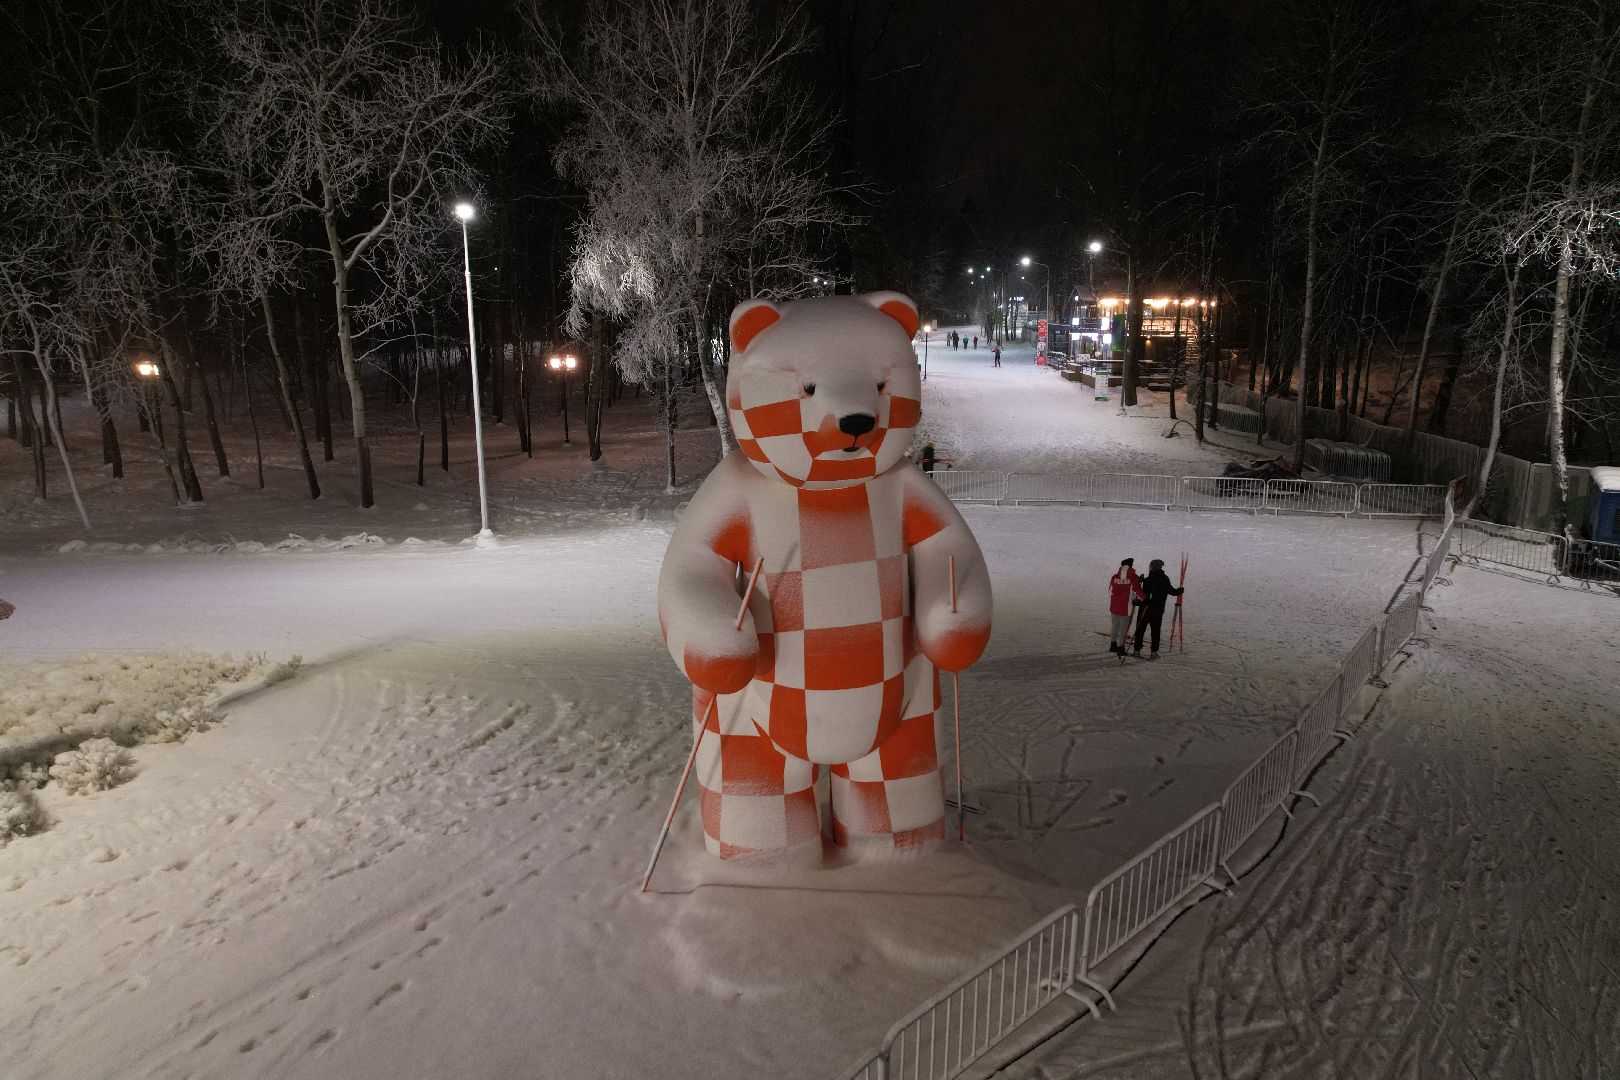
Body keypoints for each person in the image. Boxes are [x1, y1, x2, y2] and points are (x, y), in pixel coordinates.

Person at [1132, 558, 1185, 658]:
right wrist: (1180, 591)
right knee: (1155, 631)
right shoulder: (1164, 578)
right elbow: (1172, 591)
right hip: (1158, 610)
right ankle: (1153, 652)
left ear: (1152, 567)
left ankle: (1137, 650)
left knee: (1140, 629)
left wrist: (1137, 602)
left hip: (1145, 609)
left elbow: (1144, 596)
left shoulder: (1149, 579)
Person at [1107, 559, 1144, 655]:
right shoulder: (1133, 578)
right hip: (1126, 608)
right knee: (1123, 628)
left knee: (1114, 626)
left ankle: (1113, 645)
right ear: (1131, 566)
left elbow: (1110, 591)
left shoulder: (1114, 577)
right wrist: (1145, 599)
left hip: (1114, 606)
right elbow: (1139, 593)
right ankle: (1120, 648)